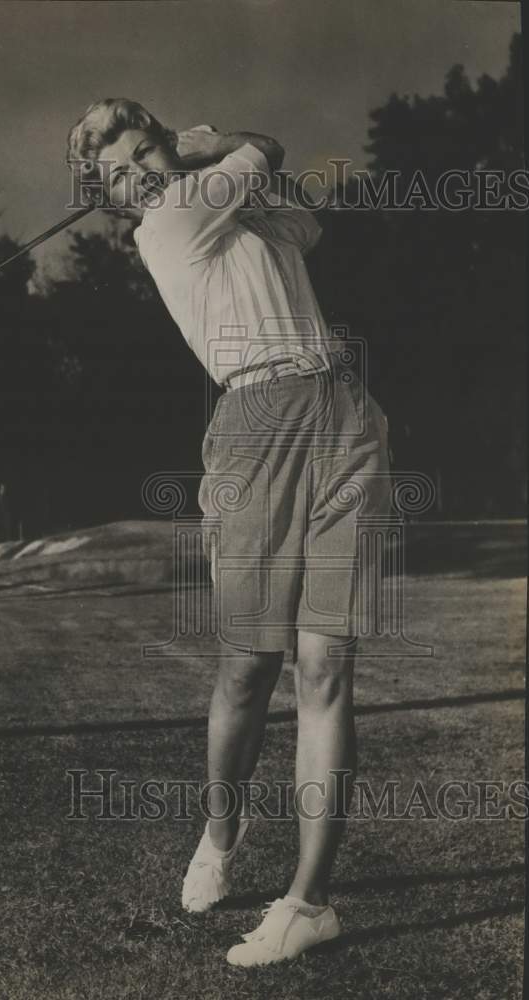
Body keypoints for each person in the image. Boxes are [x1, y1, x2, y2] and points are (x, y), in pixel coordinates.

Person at [66, 98, 392, 968]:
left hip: (341, 411)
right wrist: (208, 145)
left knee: (325, 666)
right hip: (253, 428)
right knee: (248, 669)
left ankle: (308, 903)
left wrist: (203, 157)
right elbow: (271, 146)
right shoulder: (169, 219)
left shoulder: (218, 200)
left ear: (163, 144)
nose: (140, 172)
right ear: (114, 197)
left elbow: (305, 227)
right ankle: (220, 828)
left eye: (145, 150)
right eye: (118, 172)